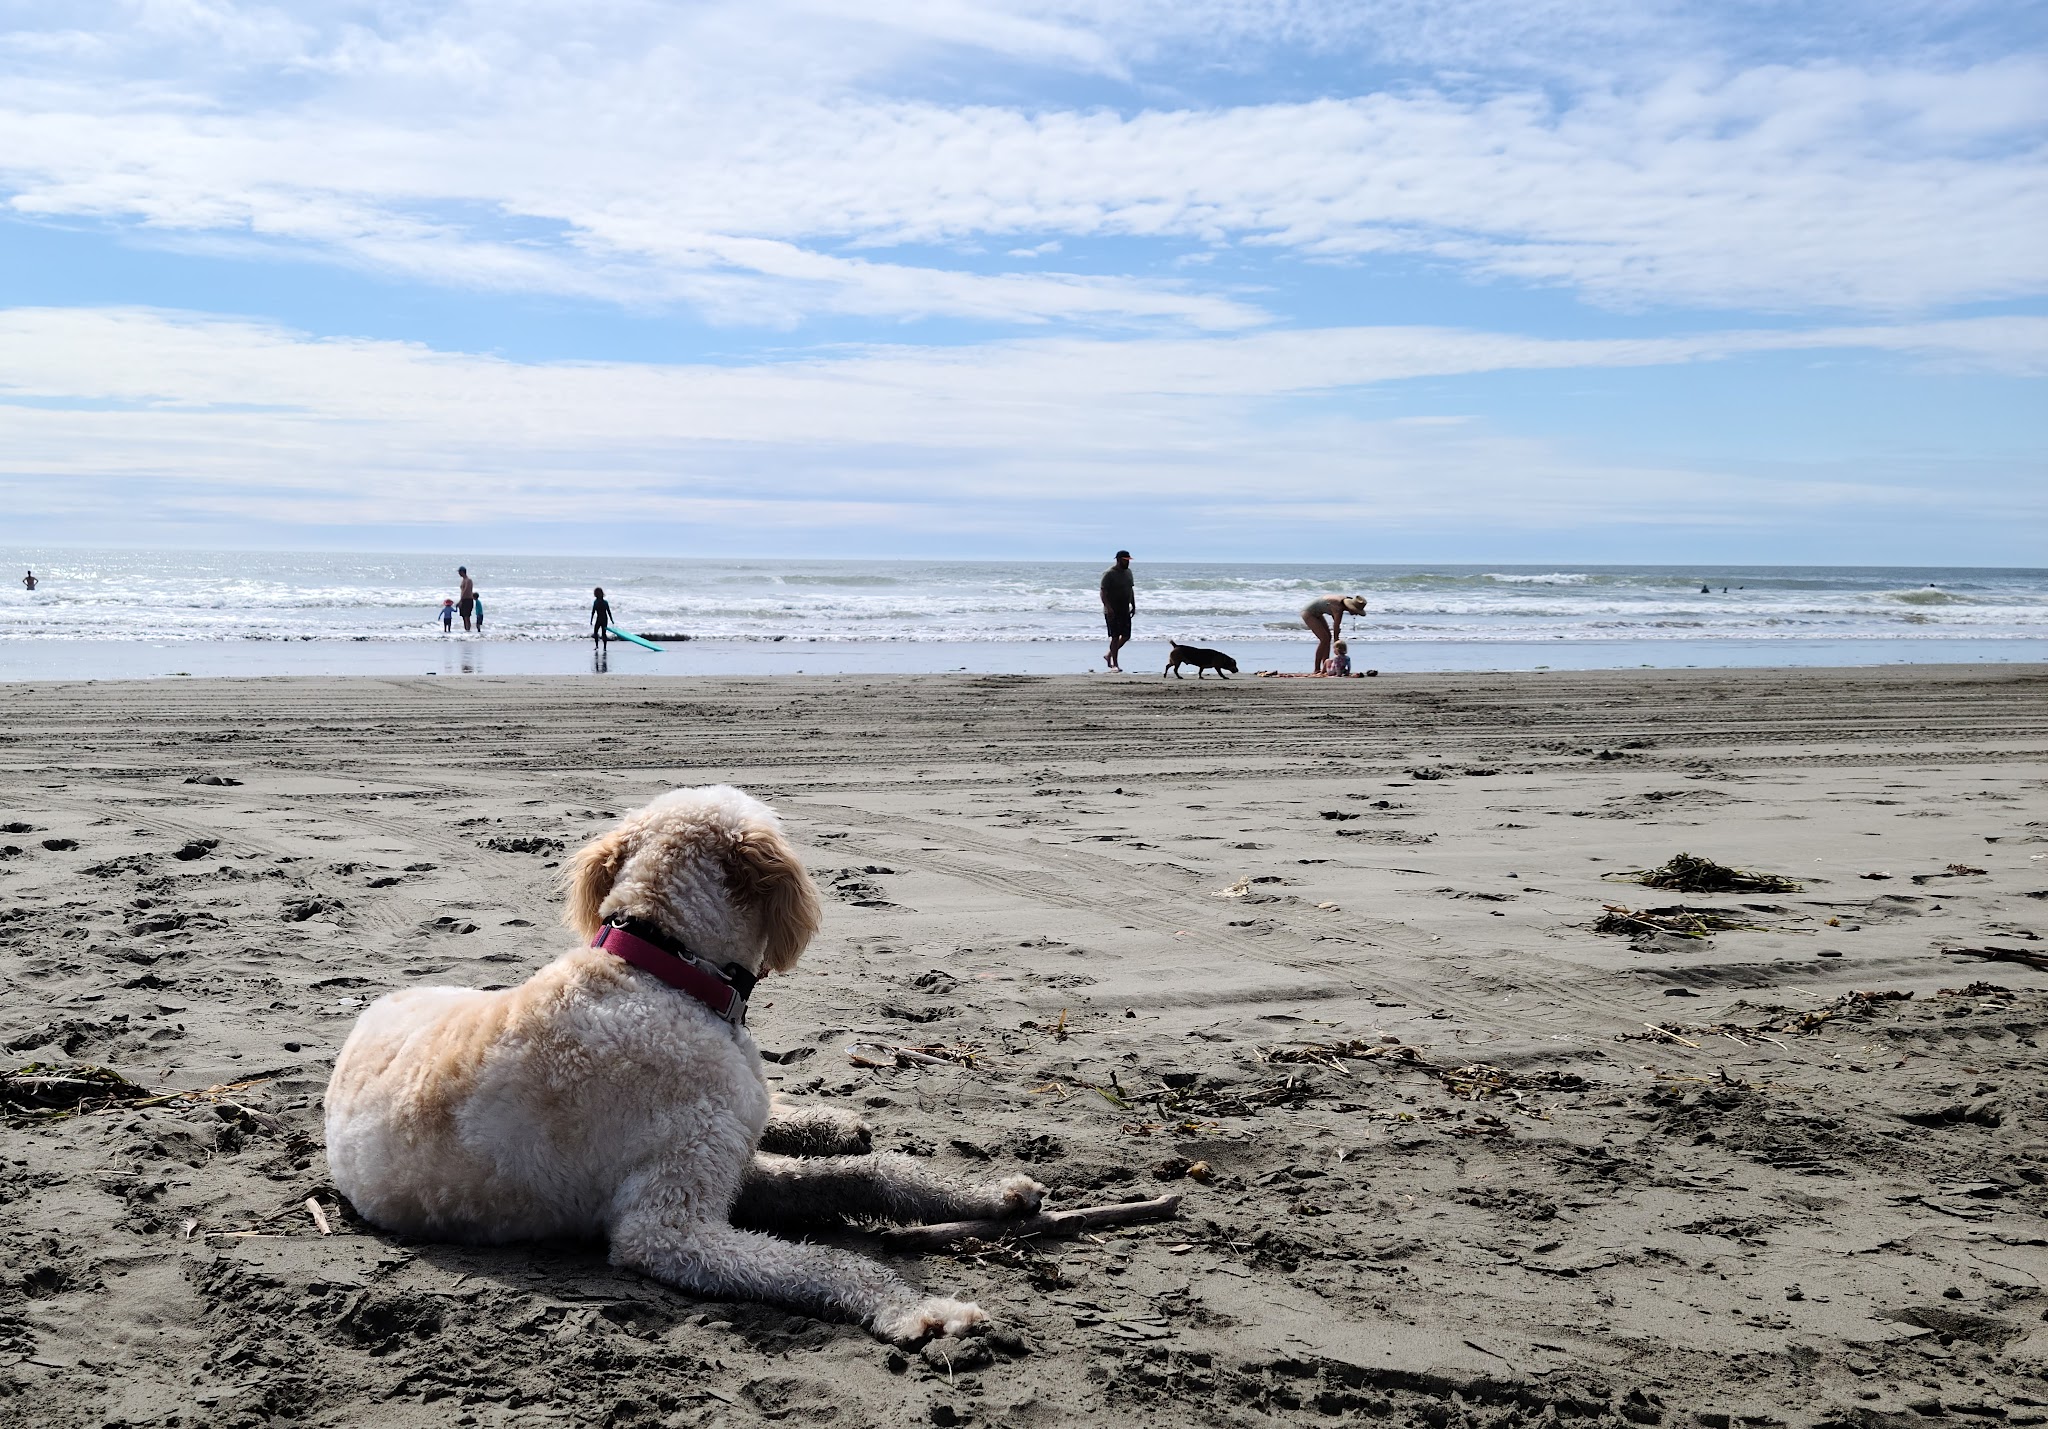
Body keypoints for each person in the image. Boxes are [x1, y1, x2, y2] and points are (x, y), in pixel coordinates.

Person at [1301, 594, 1365, 673]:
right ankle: (1317, 668)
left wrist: (1336, 643)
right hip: (1308, 613)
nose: (1356, 614)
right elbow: (1336, 627)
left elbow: (1335, 623)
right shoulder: (1338, 607)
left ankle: (1326, 666)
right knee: (1324, 639)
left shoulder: (1342, 603)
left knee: (1328, 638)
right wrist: (1337, 646)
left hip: (1317, 613)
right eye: (1355, 611)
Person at [1099, 550, 1135, 671]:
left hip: (1125, 609)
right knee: (1115, 636)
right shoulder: (1109, 573)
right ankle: (1115, 664)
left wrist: (1133, 604)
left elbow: (1131, 589)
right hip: (1113, 610)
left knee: (1125, 636)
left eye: (1128, 560)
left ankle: (1109, 655)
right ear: (1118, 560)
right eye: (1125, 560)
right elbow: (1103, 592)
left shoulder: (1128, 572)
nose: (1127, 563)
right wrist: (1108, 607)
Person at [457, 566, 476, 632]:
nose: (459, 573)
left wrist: (460, 600)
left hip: (468, 599)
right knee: (463, 616)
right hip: (463, 600)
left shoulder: (468, 580)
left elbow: (466, 590)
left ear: (462, 572)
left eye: (459, 572)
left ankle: (468, 630)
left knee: (467, 616)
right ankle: (466, 630)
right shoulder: (463, 580)